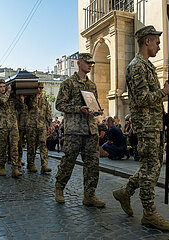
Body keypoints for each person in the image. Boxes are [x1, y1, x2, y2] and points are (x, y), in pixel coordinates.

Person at [112, 25, 169, 231]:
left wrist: (165, 116)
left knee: (152, 166)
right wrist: (163, 91)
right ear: (147, 41)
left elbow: (150, 100)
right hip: (147, 127)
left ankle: (125, 192)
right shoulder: (136, 66)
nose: (158, 46)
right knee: (151, 169)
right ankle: (149, 213)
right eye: (157, 42)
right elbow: (140, 99)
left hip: (155, 124)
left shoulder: (147, 66)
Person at [54, 53, 105, 207]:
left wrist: (97, 111)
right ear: (79, 63)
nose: (90, 65)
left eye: (91, 63)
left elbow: (93, 105)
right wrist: (78, 109)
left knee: (92, 164)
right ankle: (59, 188)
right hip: (74, 130)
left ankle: (89, 195)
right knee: (68, 161)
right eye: (87, 63)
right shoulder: (68, 84)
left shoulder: (92, 86)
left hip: (90, 130)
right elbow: (59, 105)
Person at [0, 79, 22, 177]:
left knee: (14, 147)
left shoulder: (11, 99)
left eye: (4, 86)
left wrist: (21, 100)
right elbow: (3, 100)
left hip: (13, 125)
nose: (3, 88)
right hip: (2, 126)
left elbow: (21, 108)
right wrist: (9, 91)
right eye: (1, 87)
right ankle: (2, 167)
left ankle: (15, 168)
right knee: (2, 147)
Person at [26, 82, 52, 173]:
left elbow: (48, 113)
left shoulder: (44, 101)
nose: (40, 90)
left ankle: (44, 165)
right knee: (31, 146)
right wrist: (35, 95)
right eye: (39, 88)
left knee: (43, 145)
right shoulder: (30, 99)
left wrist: (49, 125)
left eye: (42, 88)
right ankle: (31, 164)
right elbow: (32, 105)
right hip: (31, 125)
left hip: (41, 126)